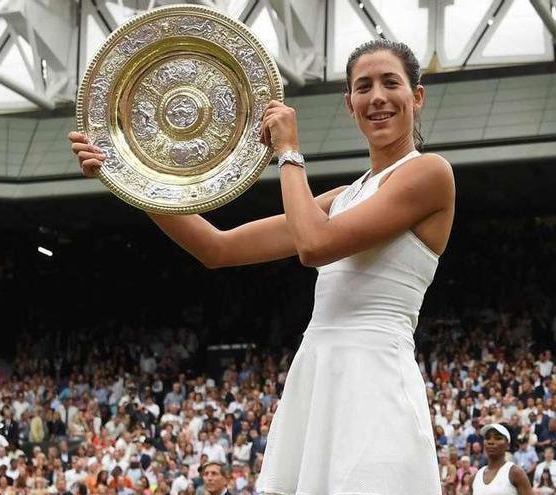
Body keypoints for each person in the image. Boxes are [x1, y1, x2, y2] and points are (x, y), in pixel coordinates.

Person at [70, 37, 455, 495]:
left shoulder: (429, 173)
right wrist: (126, 175)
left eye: (391, 83)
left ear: (417, 96)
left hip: (374, 376)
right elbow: (218, 248)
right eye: (362, 86)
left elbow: (314, 245)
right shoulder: (345, 197)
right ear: (349, 104)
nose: (376, 97)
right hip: (318, 372)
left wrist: (288, 152)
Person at [472, 424, 532, 495]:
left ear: (508, 446)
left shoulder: (515, 473)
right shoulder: (475, 477)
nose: (491, 442)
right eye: (487, 438)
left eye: (498, 438)